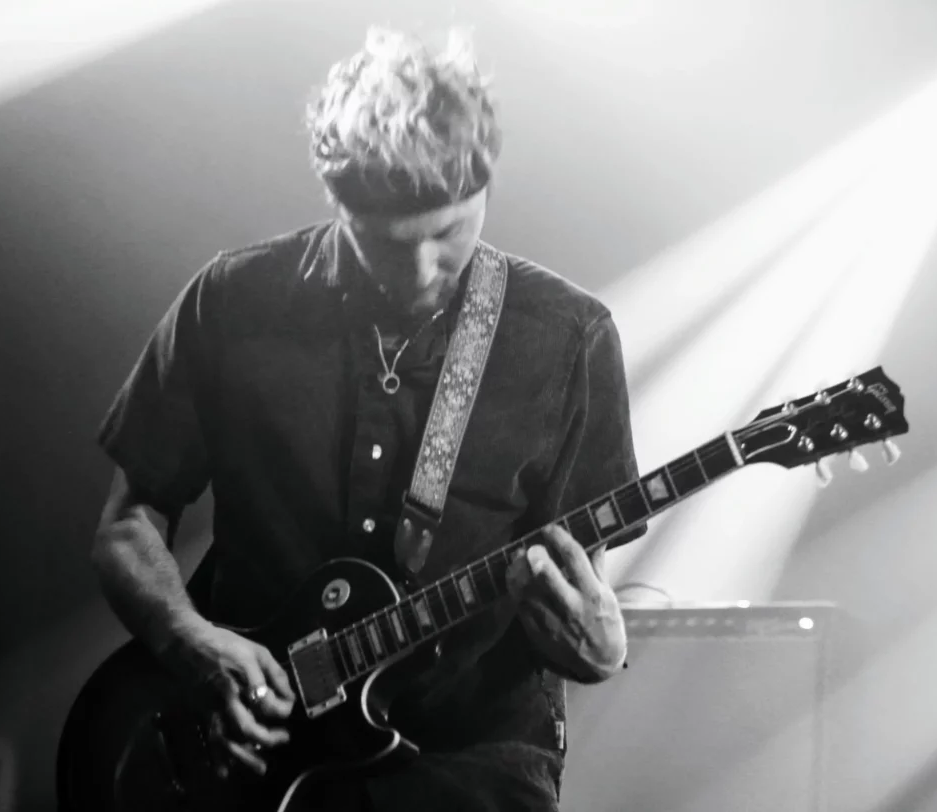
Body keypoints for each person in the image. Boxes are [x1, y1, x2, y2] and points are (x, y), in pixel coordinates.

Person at [90, 25, 644, 811]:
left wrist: (600, 648)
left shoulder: (568, 338)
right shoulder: (232, 301)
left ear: (486, 187)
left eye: (448, 233)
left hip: (471, 762)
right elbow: (126, 523)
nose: (419, 272)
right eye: (383, 243)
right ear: (336, 200)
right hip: (250, 757)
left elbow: (583, 582)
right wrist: (189, 641)